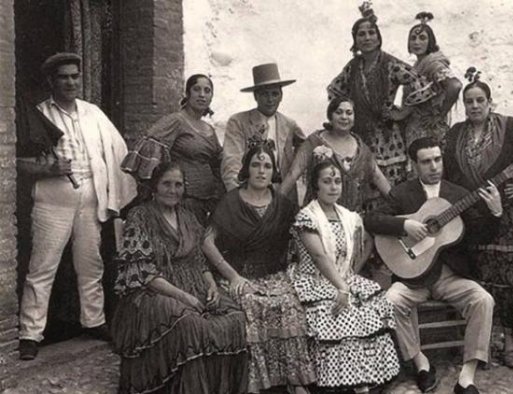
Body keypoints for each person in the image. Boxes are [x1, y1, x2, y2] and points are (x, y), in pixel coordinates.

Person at [16, 52, 137, 360]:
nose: (70, 82)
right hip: (52, 201)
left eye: (74, 76)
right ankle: (30, 333)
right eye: (63, 77)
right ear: (51, 81)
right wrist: (48, 169)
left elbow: (116, 149)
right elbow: (15, 163)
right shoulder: (38, 115)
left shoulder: (92, 112)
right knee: (42, 268)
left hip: (90, 197)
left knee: (91, 265)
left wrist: (113, 191)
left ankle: (93, 321)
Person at [364, 137, 501, 394]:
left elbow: (481, 235)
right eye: (426, 161)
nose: (434, 166)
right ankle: (421, 363)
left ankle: (466, 377)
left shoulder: (459, 194)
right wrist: (405, 225)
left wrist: (495, 213)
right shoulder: (403, 193)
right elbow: (372, 220)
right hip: (413, 277)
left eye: (438, 159)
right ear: (414, 164)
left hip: (451, 277)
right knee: (390, 301)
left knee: (483, 300)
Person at [442, 68, 513, 368]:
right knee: (478, 275)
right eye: (469, 101)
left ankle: (510, 342)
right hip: (472, 218)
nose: (475, 106)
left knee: (508, 276)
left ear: (491, 102)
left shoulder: (511, 128)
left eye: (480, 100)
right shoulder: (455, 134)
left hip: (507, 216)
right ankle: (481, 342)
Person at [111, 162, 248, 394]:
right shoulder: (140, 216)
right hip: (155, 291)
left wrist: (212, 285)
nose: (173, 190)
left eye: (178, 185)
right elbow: (143, 273)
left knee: (236, 318)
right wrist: (182, 296)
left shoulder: (187, 216)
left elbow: (199, 260)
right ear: (154, 186)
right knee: (190, 324)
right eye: (166, 184)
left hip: (195, 284)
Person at [201, 143, 316, 394]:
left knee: (289, 304)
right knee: (253, 304)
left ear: (274, 170)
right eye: (255, 165)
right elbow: (207, 242)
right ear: (246, 168)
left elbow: (300, 240)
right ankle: (257, 384)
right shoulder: (230, 202)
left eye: (267, 166)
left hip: (275, 274)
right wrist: (232, 276)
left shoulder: (283, 205)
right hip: (240, 274)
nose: (261, 171)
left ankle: (294, 381)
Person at [289, 157, 399, 393]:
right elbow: (319, 258)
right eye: (327, 182)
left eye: (337, 181)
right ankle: (337, 381)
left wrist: (351, 273)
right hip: (315, 280)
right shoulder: (307, 217)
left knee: (373, 306)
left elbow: (368, 240)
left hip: (343, 279)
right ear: (315, 186)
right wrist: (342, 287)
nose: (333, 187)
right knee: (340, 313)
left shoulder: (349, 216)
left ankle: (364, 380)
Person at [327, 2, 435, 196]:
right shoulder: (353, 67)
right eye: (361, 34)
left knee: (390, 189)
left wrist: (403, 112)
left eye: (371, 33)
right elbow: (334, 91)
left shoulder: (390, 64)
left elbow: (422, 84)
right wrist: (347, 113)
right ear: (355, 39)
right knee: (363, 187)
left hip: (388, 139)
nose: (367, 38)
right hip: (360, 135)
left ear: (378, 37)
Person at [121, 74, 225, 225]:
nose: (202, 95)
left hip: (206, 202)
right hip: (181, 200)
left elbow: (217, 161)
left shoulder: (209, 129)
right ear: (187, 94)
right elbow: (151, 149)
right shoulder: (176, 121)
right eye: (197, 89)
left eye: (207, 91)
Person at [279, 97, 391, 213]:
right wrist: (274, 204)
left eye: (349, 113)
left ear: (354, 118)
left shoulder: (362, 149)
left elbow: (377, 177)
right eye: (338, 112)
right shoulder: (314, 141)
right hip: (318, 215)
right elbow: (293, 174)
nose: (344, 117)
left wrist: (399, 205)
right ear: (330, 116)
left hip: (351, 218)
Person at [221, 63, 305, 192]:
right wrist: (238, 197)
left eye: (275, 94)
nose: (270, 99)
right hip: (249, 191)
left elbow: (306, 147)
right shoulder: (238, 122)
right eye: (265, 94)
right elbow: (232, 162)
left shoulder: (289, 124)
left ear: (281, 96)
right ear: (255, 96)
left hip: (281, 194)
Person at [401, 12, 462, 147]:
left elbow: (455, 86)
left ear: (431, 42)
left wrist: (439, 116)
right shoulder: (417, 66)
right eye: (413, 38)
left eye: (422, 38)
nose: (417, 42)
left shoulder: (433, 64)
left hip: (428, 129)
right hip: (416, 127)